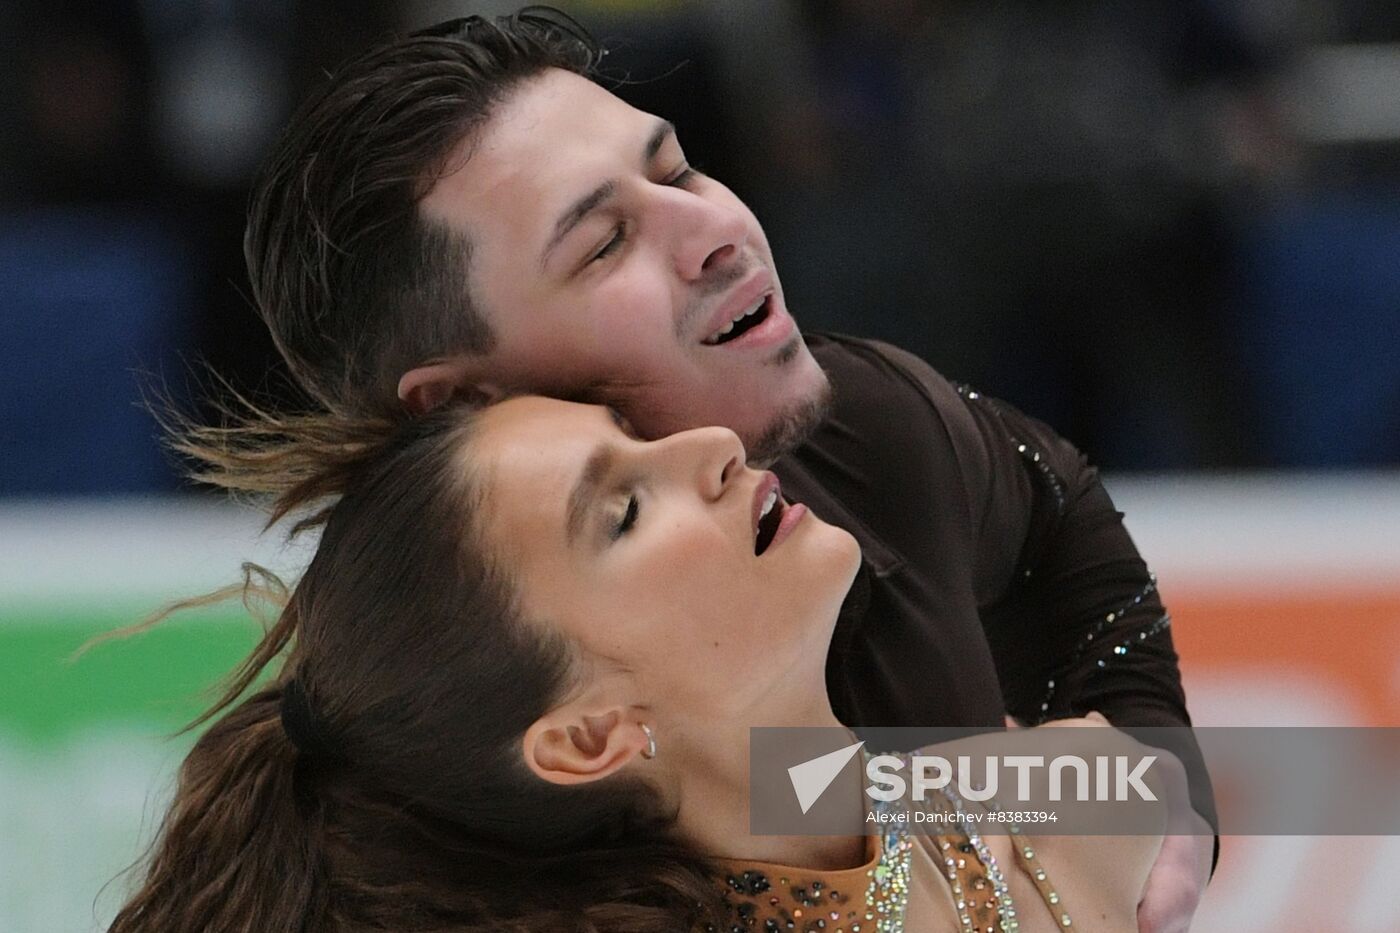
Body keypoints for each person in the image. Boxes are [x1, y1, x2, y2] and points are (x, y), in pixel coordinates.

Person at [238, 8, 1215, 927]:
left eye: (677, 169)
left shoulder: (864, 422)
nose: (715, 230)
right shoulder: (460, 754)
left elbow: (1054, 517)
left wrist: (1130, 778)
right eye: (604, 243)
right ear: (458, 404)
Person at [109, 395, 1166, 932]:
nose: (706, 445)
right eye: (621, 510)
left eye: (633, 432)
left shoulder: (1052, 793)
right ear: (587, 734)